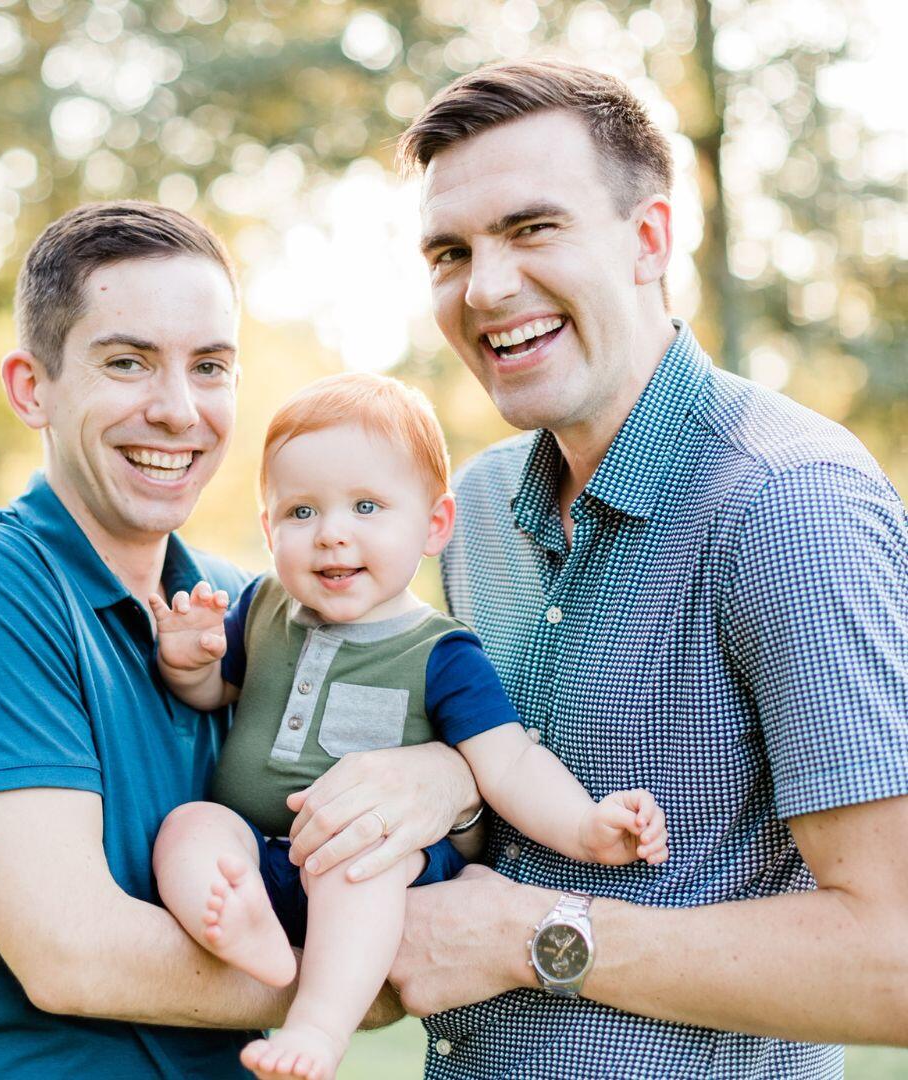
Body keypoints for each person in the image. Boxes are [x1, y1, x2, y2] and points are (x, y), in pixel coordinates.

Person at [384, 59, 908, 1078]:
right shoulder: (475, 512)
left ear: (650, 240)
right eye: (451, 251)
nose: (486, 288)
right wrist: (440, 777)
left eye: (533, 228)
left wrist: (531, 935)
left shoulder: (790, 505)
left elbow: (895, 959)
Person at [0, 201, 479, 1079]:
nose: (177, 410)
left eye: (210, 367)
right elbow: (73, 952)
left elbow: (424, 818)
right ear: (30, 386)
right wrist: (354, 982)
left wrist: (451, 777)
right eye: (128, 362)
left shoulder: (253, 607)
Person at [145, 372, 669, 1080]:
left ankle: (318, 1028)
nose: (332, 534)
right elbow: (215, 690)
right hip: (264, 851)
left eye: (366, 507)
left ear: (433, 526)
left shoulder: (440, 652)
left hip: (380, 869)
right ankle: (252, 934)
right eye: (301, 512)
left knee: (363, 866)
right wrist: (186, 660)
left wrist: (584, 824)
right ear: (268, 528)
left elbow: (508, 763)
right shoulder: (263, 606)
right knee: (190, 826)